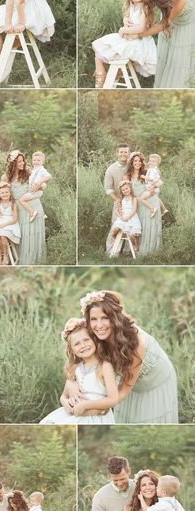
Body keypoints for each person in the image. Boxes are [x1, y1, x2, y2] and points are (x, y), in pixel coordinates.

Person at [79, 290, 178, 423]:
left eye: (105, 318)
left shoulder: (136, 344)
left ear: (115, 318)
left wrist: (91, 408)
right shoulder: (94, 331)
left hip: (155, 383)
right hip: (129, 382)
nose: (99, 325)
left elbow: (123, 392)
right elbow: (76, 361)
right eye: (94, 319)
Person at [39, 317, 119, 424]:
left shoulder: (104, 366)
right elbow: (64, 396)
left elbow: (113, 400)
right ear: (72, 350)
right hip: (74, 414)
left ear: (94, 340)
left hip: (96, 418)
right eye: (77, 344)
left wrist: (85, 405)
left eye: (86, 340)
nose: (83, 346)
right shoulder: (75, 368)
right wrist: (66, 403)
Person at [92, 0, 157, 88]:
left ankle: (102, 79)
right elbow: (131, 19)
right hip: (132, 40)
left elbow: (141, 28)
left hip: (140, 43)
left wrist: (123, 29)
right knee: (99, 53)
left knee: (103, 53)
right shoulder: (134, 6)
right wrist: (125, 20)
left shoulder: (145, 6)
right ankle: (104, 75)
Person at [137, 0, 195, 89]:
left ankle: (178, 101)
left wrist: (139, 34)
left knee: (179, 65)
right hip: (170, 22)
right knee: (165, 63)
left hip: (186, 27)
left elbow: (164, 24)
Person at [1, 150, 46, 265]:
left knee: (35, 235)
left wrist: (41, 185)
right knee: (24, 237)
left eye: (23, 161)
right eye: (19, 161)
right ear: (13, 163)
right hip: (20, 210)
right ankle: (24, 263)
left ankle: (37, 262)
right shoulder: (6, 177)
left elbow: (42, 183)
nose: (22, 163)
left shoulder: (28, 171)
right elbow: (2, 195)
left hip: (34, 206)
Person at [126, 152, 162, 255]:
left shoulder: (147, 172)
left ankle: (151, 252)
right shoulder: (128, 175)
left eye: (139, 161)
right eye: (135, 161)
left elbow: (160, 182)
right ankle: (136, 249)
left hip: (150, 201)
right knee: (140, 227)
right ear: (132, 162)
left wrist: (153, 187)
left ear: (142, 163)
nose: (137, 163)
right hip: (137, 204)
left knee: (149, 227)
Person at [106, 178, 142, 258]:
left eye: (127, 188)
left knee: (131, 234)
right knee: (116, 228)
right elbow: (117, 210)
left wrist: (128, 217)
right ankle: (113, 237)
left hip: (131, 217)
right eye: (123, 190)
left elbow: (134, 209)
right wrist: (120, 216)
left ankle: (134, 244)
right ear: (121, 191)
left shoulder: (134, 199)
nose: (125, 191)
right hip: (122, 217)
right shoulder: (121, 199)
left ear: (130, 188)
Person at [0, 182, 21, 265]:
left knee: (3, 236)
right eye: (2, 193)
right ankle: (0, 256)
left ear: (10, 193)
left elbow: (14, 219)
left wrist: (4, 225)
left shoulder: (13, 204)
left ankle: (6, 256)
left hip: (10, 223)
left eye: (7, 192)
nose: (4, 194)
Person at [19, 151, 52, 222]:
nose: (36, 162)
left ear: (42, 162)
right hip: (33, 190)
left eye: (38, 160)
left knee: (22, 200)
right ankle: (42, 214)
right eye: (34, 160)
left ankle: (32, 212)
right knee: (31, 201)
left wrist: (40, 181)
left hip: (38, 190)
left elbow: (49, 176)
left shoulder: (42, 170)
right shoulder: (34, 170)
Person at [104, 145, 130, 225]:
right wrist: (118, 200)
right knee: (117, 227)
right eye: (121, 152)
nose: (123, 154)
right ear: (117, 153)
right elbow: (108, 189)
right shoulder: (110, 170)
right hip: (120, 201)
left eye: (125, 152)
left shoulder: (132, 165)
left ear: (129, 153)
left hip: (134, 201)